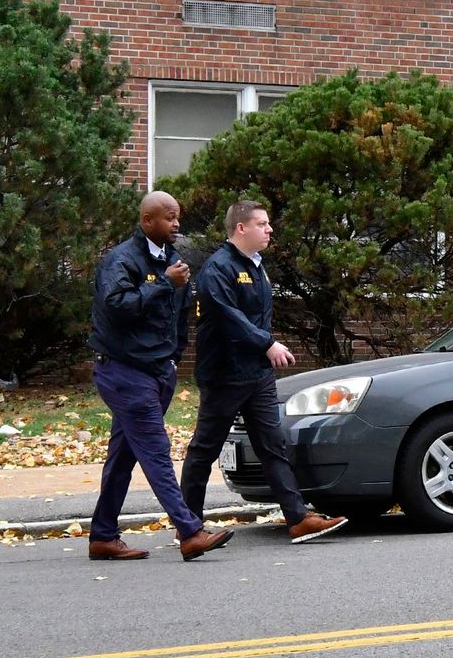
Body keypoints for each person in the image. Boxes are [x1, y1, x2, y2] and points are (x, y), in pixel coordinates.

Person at [179, 199, 347, 545]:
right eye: (262, 224)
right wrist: (267, 344)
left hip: (256, 375)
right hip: (225, 375)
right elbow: (228, 318)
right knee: (204, 450)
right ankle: (188, 526)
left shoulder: (256, 266)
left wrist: (263, 350)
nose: (270, 230)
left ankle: (298, 519)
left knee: (273, 447)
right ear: (241, 228)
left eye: (268, 224)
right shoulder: (218, 269)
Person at [86, 191, 235, 562]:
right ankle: (190, 531)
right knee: (155, 450)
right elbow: (117, 306)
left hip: (157, 371)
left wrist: (172, 359)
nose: (177, 224)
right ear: (147, 220)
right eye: (169, 217)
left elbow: (178, 316)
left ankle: (103, 535)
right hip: (123, 371)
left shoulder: (172, 262)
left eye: (178, 217)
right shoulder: (120, 260)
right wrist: (165, 283)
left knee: (123, 456)